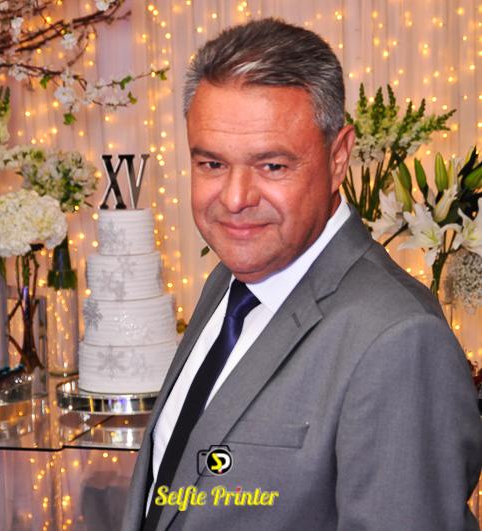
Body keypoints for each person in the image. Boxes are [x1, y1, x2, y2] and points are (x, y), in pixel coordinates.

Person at [123, 18, 482, 531]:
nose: (235, 199)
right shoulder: (230, 280)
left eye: (272, 166)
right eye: (212, 164)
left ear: (339, 158)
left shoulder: (400, 340)